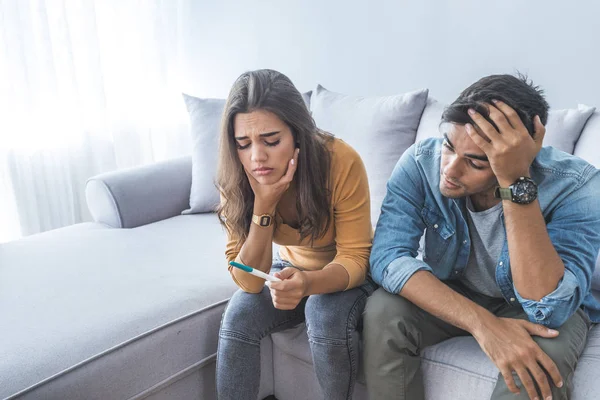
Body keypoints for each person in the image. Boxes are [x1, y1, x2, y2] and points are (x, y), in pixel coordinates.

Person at [364, 74, 600, 400]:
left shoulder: (578, 186)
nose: (449, 169)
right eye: (448, 147)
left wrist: (516, 182)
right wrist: (484, 325)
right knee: (384, 309)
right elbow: (387, 257)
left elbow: (549, 306)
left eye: (474, 162)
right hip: (459, 290)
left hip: (536, 306)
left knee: (538, 365)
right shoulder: (421, 162)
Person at [215, 69, 375, 400]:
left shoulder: (340, 161)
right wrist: (263, 205)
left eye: (271, 141)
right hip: (291, 267)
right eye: (244, 144)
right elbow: (247, 279)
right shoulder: (237, 174)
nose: (257, 157)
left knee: (322, 311)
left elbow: (357, 257)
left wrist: (308, 285)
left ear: (298, 135)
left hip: (350, 274)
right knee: (239, 315)